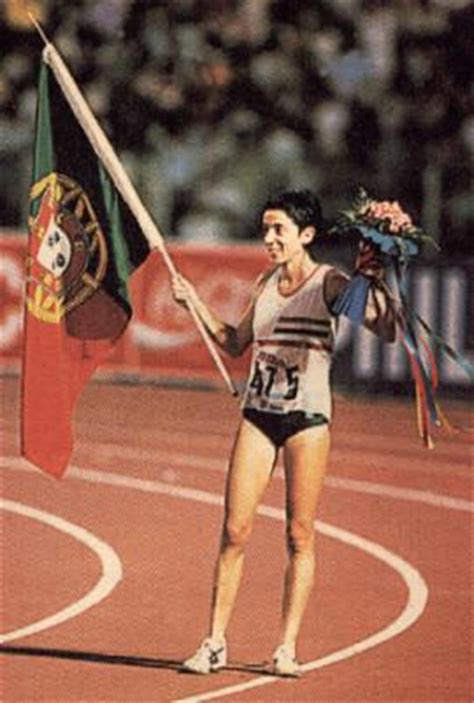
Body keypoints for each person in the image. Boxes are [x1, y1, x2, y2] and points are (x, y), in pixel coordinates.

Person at [171, 189, 396, 677]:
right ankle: (214, 643)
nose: (269, 237)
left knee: (299, 534)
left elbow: (388, 329)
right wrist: (194, 304)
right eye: (266, 228)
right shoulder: (265, 283)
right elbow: (235, 344)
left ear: (306, 235)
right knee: (234, 530)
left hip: (307, 421)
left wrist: (374, 279)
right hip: (258, 414)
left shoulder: (331, 283)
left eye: (279, 230)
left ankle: (286, 647)